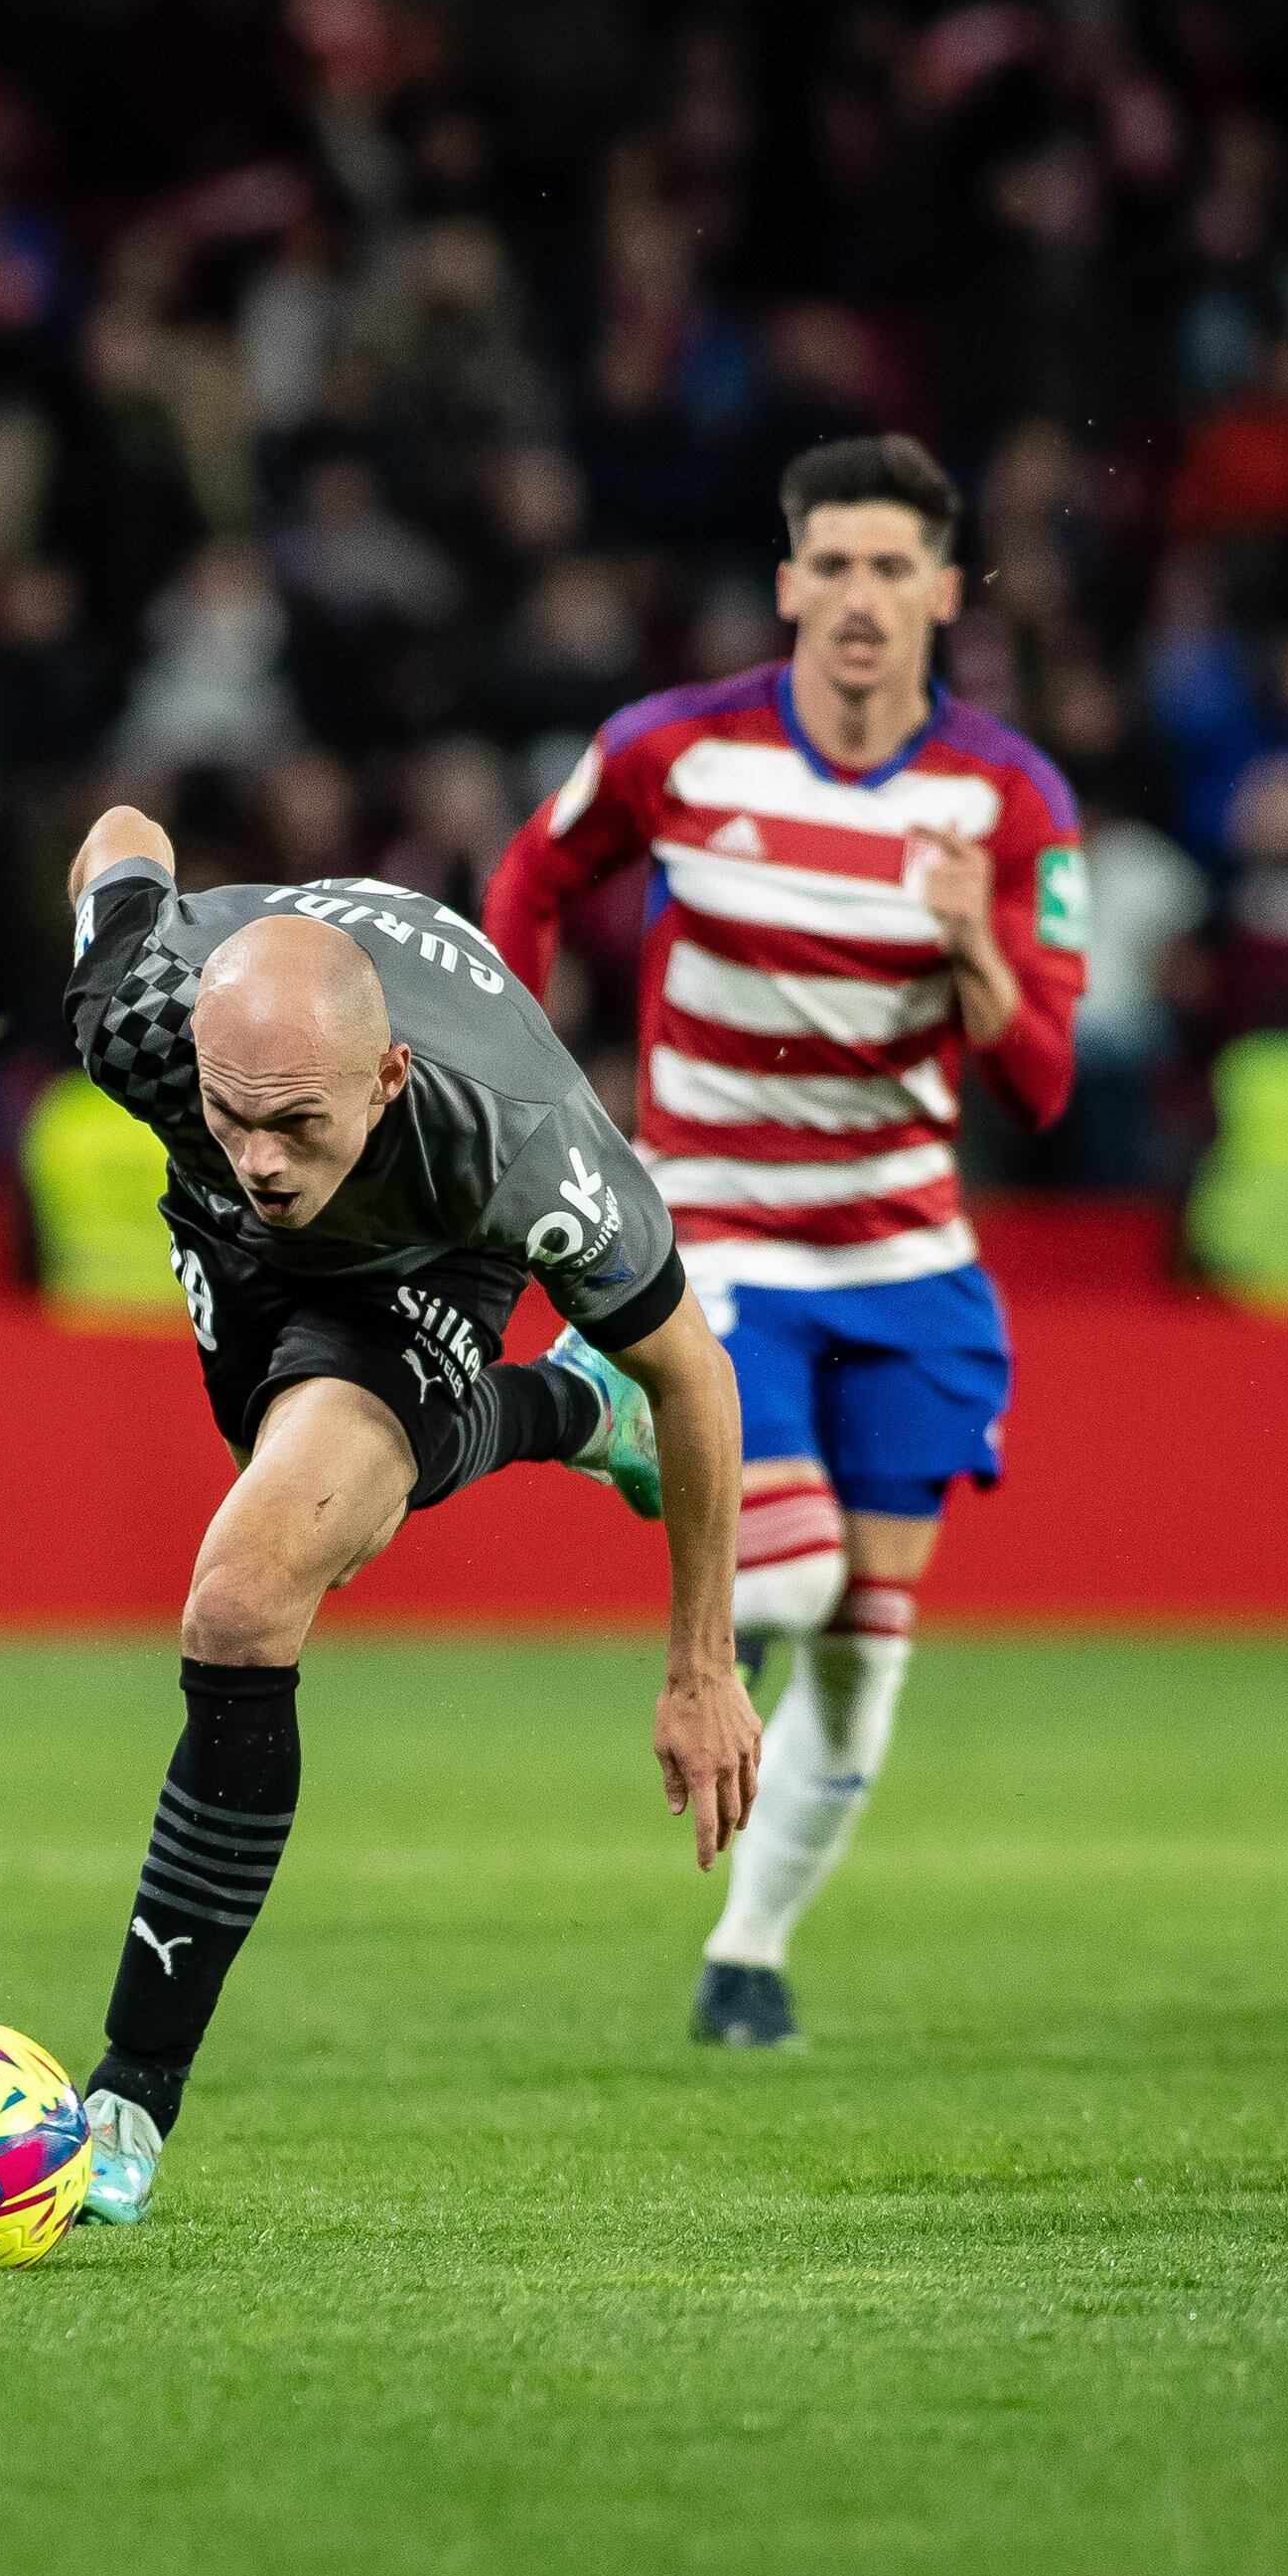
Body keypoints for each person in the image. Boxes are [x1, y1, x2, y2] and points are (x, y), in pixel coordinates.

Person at [56, 800, 760, 2223]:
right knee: (341, 1526)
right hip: (248, 1279)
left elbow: (695, 1374)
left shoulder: (520, 1146)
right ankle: (561, 1413)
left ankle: (131, 2088)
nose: (258, 1154)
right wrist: (245, 1129)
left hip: (428, 1254)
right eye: (230, 1113)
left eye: (297, 1120)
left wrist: (701, 1663)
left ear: (381, 1078)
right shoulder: (139, 1013)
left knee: (248, 1593)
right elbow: (126, 831)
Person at [482, 434, 1088, 2049]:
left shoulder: (1010, 799)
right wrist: (536, 1085)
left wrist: (972, 935)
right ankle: (644, 1450)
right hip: (718, 1229)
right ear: (787, 585)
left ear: (947, 592)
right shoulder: (674, 750)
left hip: (905, 1260)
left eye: (896, 568)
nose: (863, 598)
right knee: (806, 1568)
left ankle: (746, 1957)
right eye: (833, 565)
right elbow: (529, 879)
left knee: (866, 1653)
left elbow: (1041, 1078)